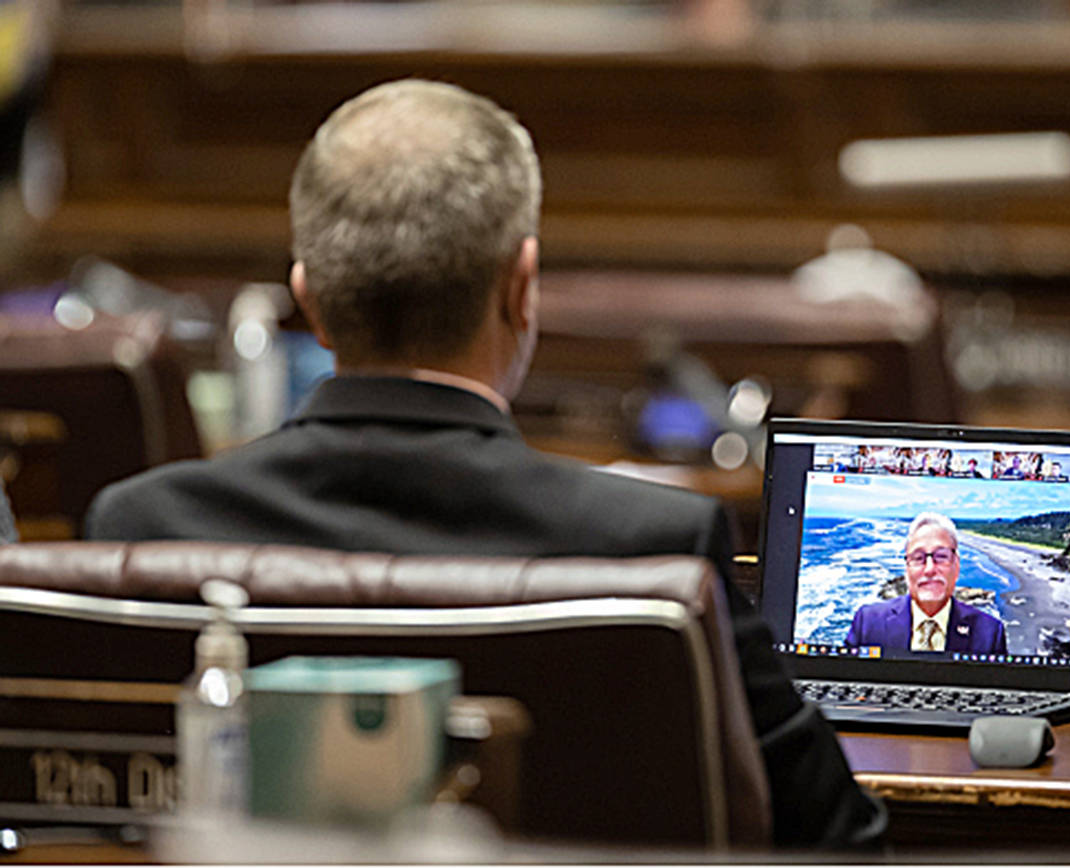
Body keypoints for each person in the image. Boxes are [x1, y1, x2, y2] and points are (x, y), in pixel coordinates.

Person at [83, 79, 884, 850]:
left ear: (310, 303)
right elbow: (840, 839)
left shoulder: (142, 534)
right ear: (521, 289)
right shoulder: (657, 543)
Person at [843, 512, 1006, 655]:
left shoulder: (989, 633)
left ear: (956, 566)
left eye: (941, 556)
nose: (929, 569)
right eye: (918, 558)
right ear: (907, 569)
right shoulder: (868, 623)